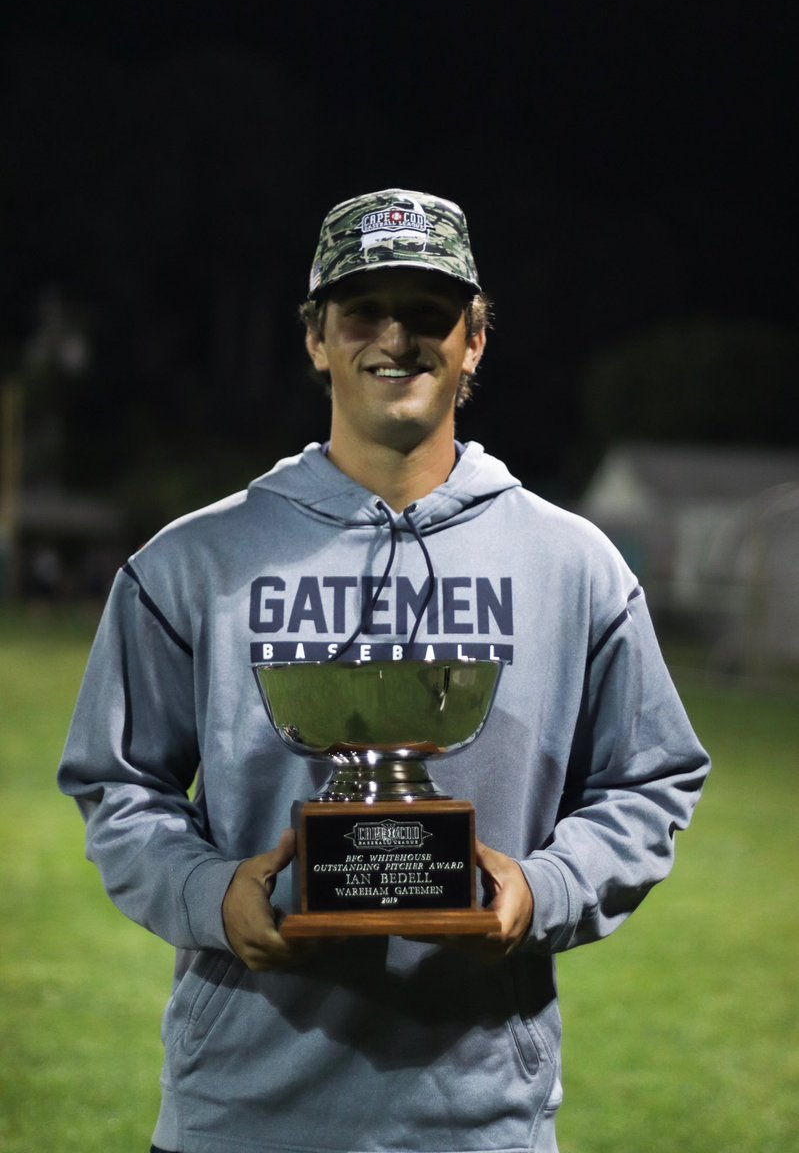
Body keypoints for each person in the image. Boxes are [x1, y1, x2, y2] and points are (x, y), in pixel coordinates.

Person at [59, 188, 710, 1153]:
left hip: (477, 1116)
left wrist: (544, 888)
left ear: (474, 340)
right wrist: (209, 892)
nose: (395, 339)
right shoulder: (191, 562)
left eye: (429, 313)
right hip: (241, 1112)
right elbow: (118, 783)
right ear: (317, 337)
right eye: (364, 310)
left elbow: (650, 778)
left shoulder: (571, 566)